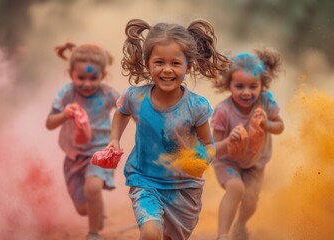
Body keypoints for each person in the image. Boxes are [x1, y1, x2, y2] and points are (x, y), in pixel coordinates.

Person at [104, 18, 229, 240]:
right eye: (159, 62)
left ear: (188, 66)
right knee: (151, 233)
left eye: (175, 63)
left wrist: (202, 160)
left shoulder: (197, 107)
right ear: (147, 63)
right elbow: (122, 111)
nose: (167, 70)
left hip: (185, 189)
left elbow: (209, 144)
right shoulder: (136, 97)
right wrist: (114, 140)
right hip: (145, 181)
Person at [45, 42, 119, 240]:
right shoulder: (66, 93)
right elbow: (49, 124)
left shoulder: (108, 94)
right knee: (82, 209)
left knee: (93, 188)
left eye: (94, 77)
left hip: (100, 151)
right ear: (71, 74)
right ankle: (97, 211)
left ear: (103, 75)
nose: (87, 83)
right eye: (81, 78)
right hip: (73, 156)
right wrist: (64, 114)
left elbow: (127, 110)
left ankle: (93, 234)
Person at [211, 49, 284, 240]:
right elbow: (213, 148)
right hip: (227, 161)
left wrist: (266, 124)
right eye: (239, 86)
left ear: (262, 85)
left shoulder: (266, 102)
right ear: (228, 85)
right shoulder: (222, 111)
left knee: (251, 200)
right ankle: (223, 235)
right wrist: (230, 140)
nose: (246, 92)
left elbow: (280, 126)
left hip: (255, 162)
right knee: (236, 188)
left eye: (253, 86)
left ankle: (241, 224)